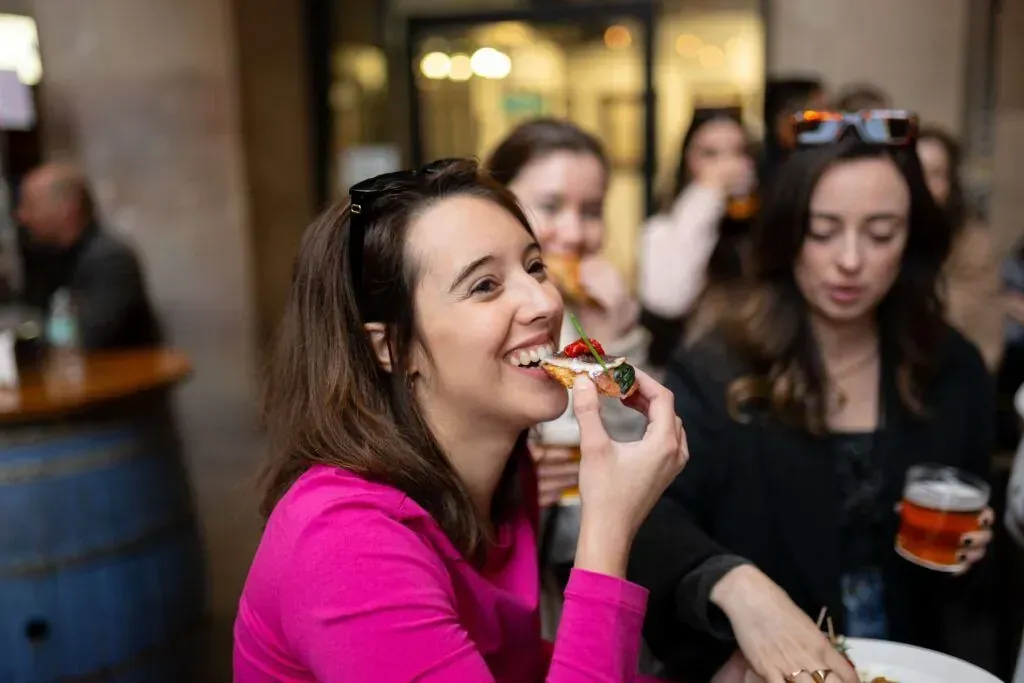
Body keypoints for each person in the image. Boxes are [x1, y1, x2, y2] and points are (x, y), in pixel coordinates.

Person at [233, 158, 687, 682]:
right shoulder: (345, 544)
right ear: (392, 349)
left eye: (535, 267)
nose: (543, 302)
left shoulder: (508, 475)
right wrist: (607, 529)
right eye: (485, 286)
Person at [628, 113, 996, 683]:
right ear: (786, 232)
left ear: (913, 238)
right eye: (822, 231)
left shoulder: (952, 368)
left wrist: (978, 551)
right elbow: (649, 518)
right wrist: (731, 580)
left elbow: (977, 566)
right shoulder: (719, 368)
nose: (850, 260)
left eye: (880, 234)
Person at [638, 108, 757, 368]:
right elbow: (669, 298)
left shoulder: (761, 227)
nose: (728, 165)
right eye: (711, 154)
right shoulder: (662, 228)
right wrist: (707, 196)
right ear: (689, 160)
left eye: (738, 152)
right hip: (685, 369)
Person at [15, 162, 161, 349]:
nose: (22, 216)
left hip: (123, 375)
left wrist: (32, 335)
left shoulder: (111, 260)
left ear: (67, 207)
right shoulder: (46, 257)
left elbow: (88, 338)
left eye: (31, 206)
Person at [916, 125, 1005, 371]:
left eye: (936, 174)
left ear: (950, 183)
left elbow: (980, 319)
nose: (923, 184)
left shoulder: (972, 239)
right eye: (915, 172)